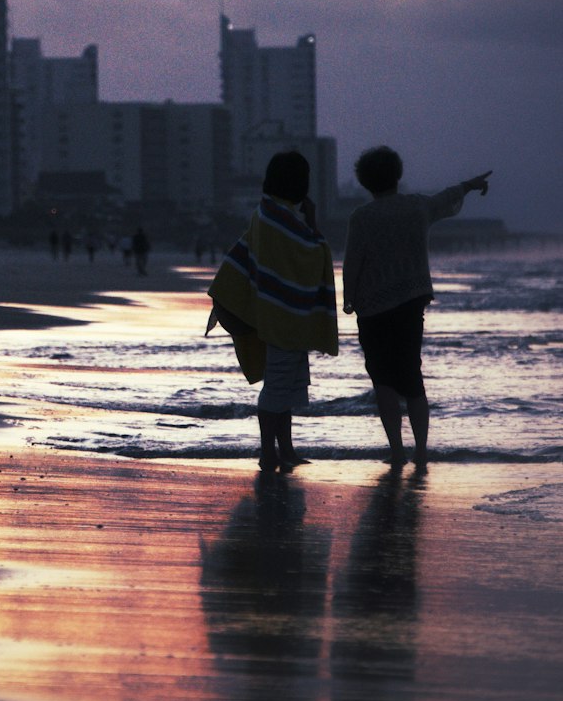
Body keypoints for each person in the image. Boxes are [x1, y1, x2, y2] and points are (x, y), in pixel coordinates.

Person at [342, 146, 492, 467]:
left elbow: (353, 261)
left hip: (373, 308)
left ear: (365, 182)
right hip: (411, 303)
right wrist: (470, 184)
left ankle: (396, 451)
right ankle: (421, 451)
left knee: (382, 380)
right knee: (411, 376)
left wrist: (348, 297)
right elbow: (445, 198)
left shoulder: (363, 217)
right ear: (398, 175)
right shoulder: (416, 207)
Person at [207, 151, 338, 473]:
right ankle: (269, 453)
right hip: (280, 319)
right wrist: (314, 221)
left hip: (284, 315)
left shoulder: (275, 214)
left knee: (288, 386)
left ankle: (287, 450)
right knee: (277, 386)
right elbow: (314, 251)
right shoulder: (275, 218)